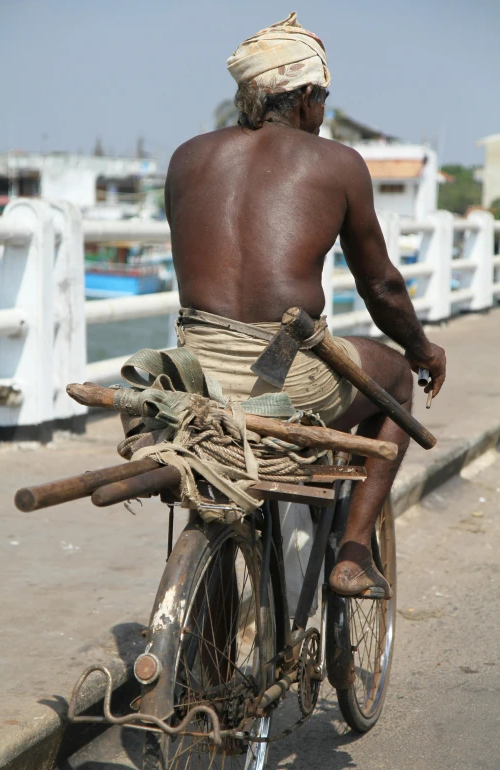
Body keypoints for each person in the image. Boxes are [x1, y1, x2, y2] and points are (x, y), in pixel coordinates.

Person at [164, 12, 446, 599]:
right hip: (285, 375)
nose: (324, 113)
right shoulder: (338, 163)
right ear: (306, 97)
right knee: (393, 381)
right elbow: (383, 289)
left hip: (191, 377)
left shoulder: (187, 158)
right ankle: (353, 551)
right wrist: (421, 349)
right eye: (324, 99)